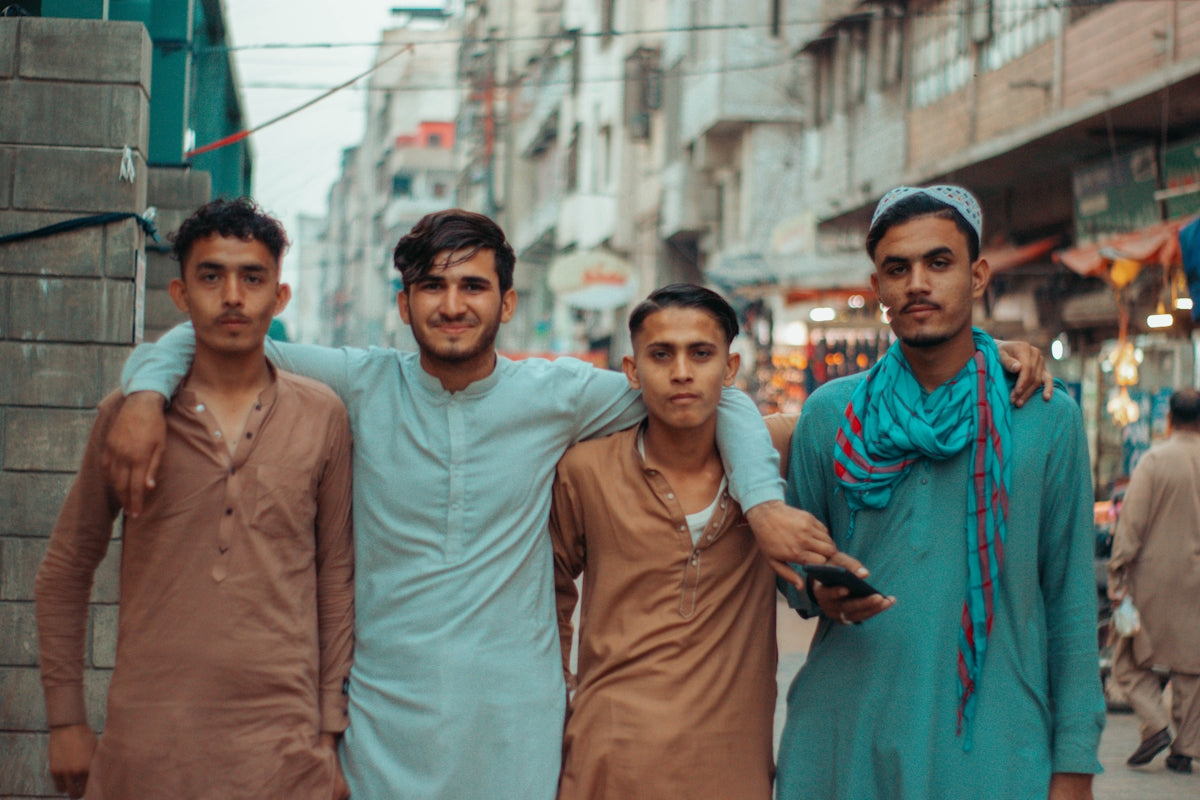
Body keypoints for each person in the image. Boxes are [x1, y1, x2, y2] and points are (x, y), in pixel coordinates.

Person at [101, 210, 843, 799]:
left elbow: (712, 402)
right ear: (404, 303)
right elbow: (217, 339)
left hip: (515, 722)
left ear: (507, 301)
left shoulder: (557, 394)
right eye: (432, 286)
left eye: (473, 287)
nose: (452, 306)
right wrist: (143, 394)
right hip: (381, 717)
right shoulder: (359, 383)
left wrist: (762, 505)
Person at [775, 185, 1105, 799]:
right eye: (897, 269)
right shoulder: (830, 416)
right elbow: (792, 566)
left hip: (995, 748)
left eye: (939, 262)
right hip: (844, 740)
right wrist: (815, 588)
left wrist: (1076, 762)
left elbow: (1070, 600)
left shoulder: (1042, 414)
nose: (917, 283)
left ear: (977, 276)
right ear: (878, 287)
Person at [35, 199, 354, 799]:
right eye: (212, 276)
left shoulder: (323, 418)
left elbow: (335, 582)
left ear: (279, 297)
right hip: (147, 749)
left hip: (283, 756)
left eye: (252, 277)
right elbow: (65, 571)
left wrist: (329, 732)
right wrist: (66, 718)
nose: (232, 296)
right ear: (181, 296)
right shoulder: (126, 420)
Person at [551, 285, 795, 799]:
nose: (681, 371)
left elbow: (879, 401)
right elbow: (543, 596)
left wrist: (988, 353)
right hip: (608, 762)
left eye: (700, 354)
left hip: (733, 769)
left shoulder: (776, 453)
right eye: (661, 355)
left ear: (730, 369)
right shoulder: (586, 470)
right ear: (632, 370)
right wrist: (558, 698)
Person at [1107, 387, 1200, 774]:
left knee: (1126, 659)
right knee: (1191, 669)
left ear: (1168, 420)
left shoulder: (1155, 461)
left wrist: (1117, 573)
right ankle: (1185, 747)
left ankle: (1157, 724)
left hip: (1155, 581)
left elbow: (1132, 524)